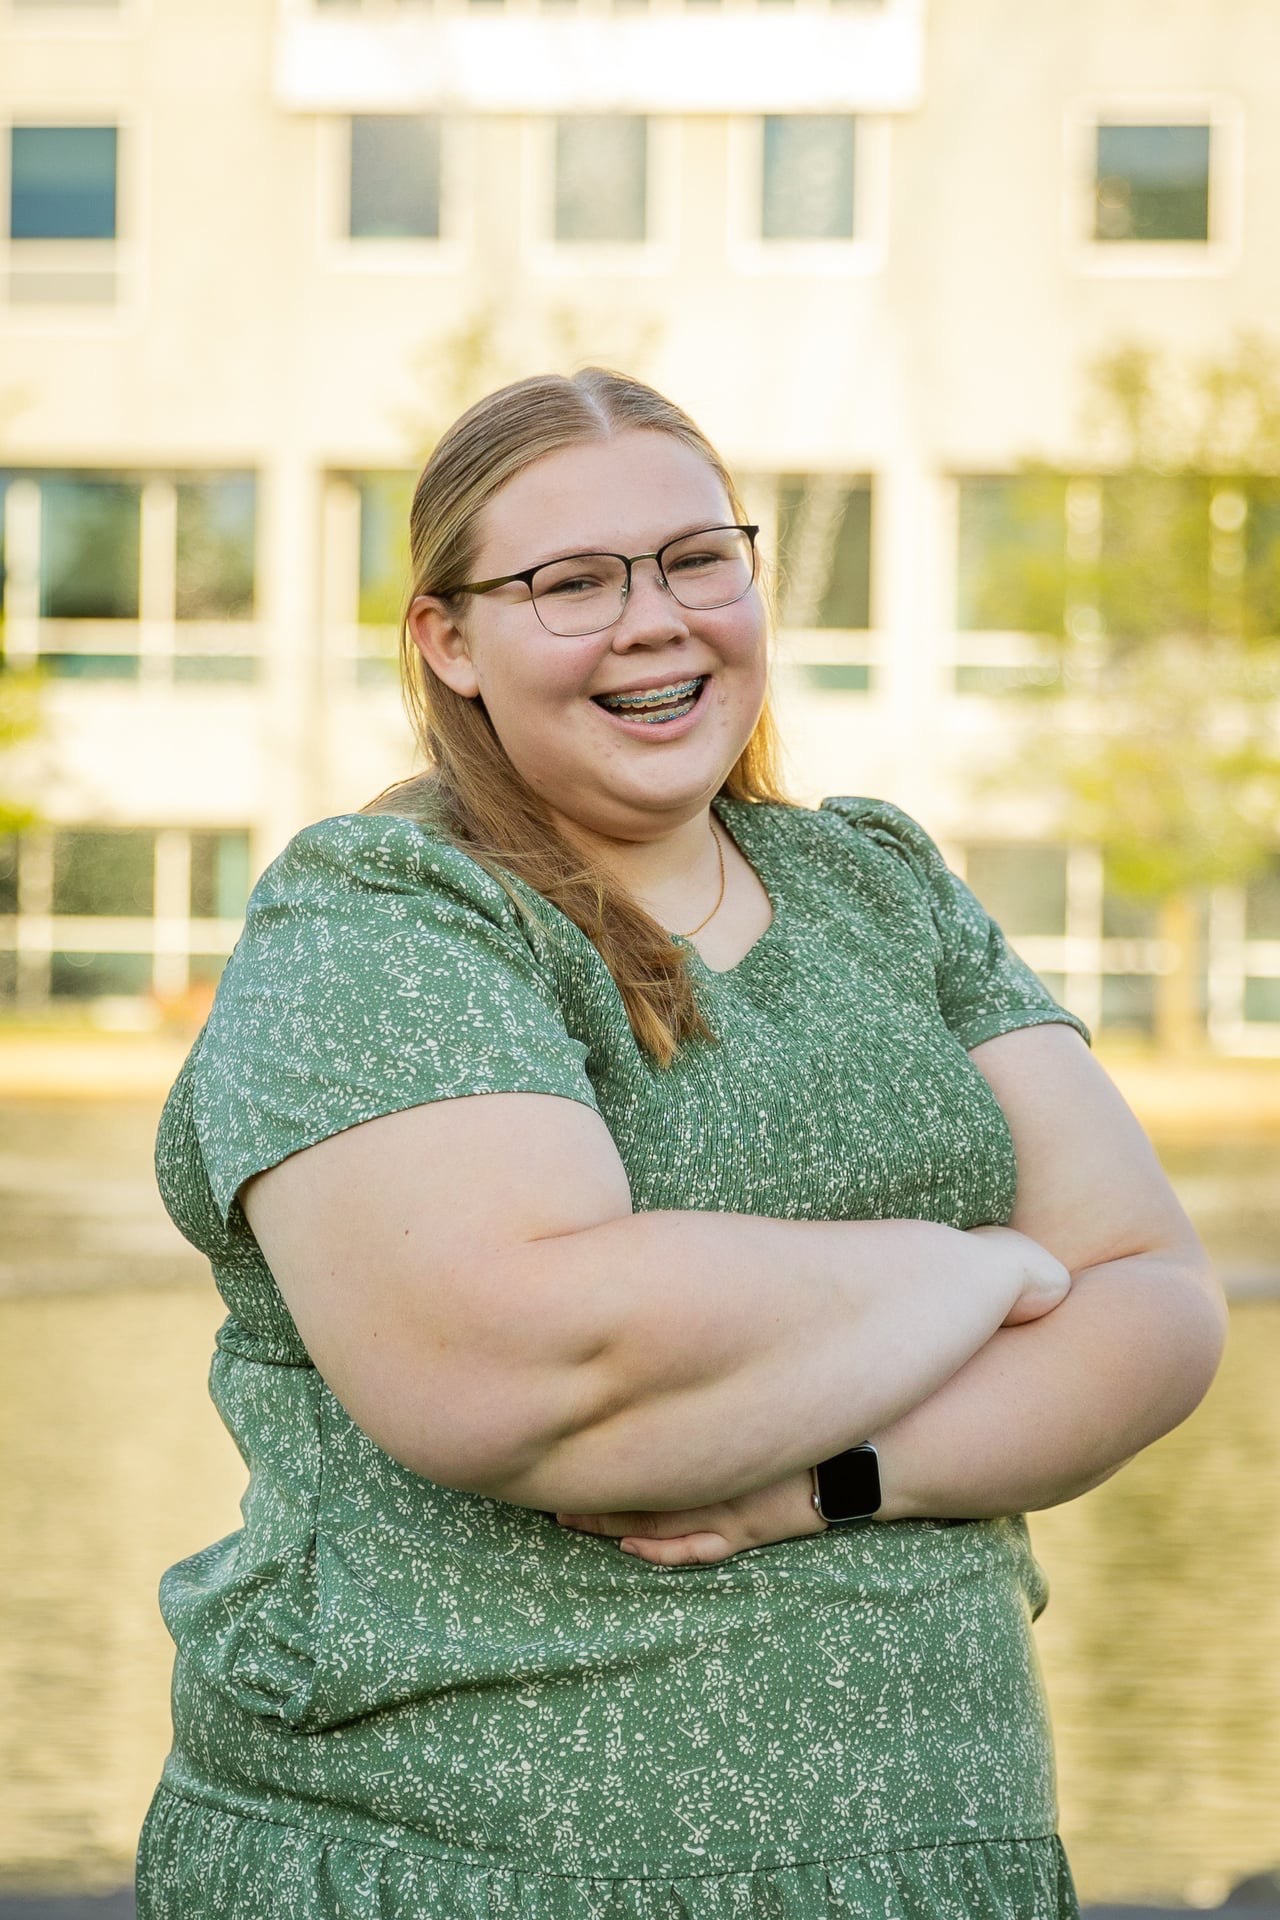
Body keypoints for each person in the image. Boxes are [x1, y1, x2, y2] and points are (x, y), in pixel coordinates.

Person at [135, 368, 1227, 1920]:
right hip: (470, 1869)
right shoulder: (388, 912)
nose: (656, 620)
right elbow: (537, 1367)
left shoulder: (884, 884)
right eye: (570, 582)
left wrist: (833, 1482)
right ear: (450, 641)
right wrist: (971, 1267)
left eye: (697, 559)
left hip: (939, 1858)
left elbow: (1159, 1308)